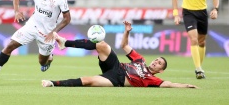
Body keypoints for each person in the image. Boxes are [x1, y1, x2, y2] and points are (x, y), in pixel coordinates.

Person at [42, 21, 198, 88]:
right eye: (157, 60)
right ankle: (65, 43)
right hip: (116, 66)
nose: (156, 62)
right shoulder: (140, 60)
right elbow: (124, 45)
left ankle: (52, 83)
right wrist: (126, 32)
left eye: (159, 63)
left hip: (117, 79)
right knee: (102, 44)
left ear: (160, 70)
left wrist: (186, 85)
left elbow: (169, 84)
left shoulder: (153, 79)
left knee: (87, 80)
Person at [172, 0, 219, 79]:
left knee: (202, 41)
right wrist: (176, 14)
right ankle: (198, 69)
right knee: (193, 39)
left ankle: (199, 66)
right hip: (188, 12)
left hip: (202, 13)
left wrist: (215, 9)